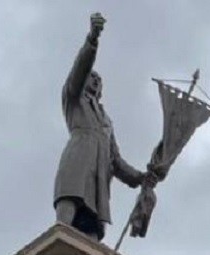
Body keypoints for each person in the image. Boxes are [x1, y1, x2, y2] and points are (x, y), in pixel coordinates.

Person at [53, 12, 159, 240]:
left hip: (100, 176)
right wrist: (92, 39)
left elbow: (117, 161)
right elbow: (79, 71)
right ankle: (58, 238)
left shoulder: (106, 121)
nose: (95, 81)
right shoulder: (74, 99)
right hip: (79, 157)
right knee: (70, 203)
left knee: (93, 226)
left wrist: (141, 177)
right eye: (92, 77)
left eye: (99, 81)